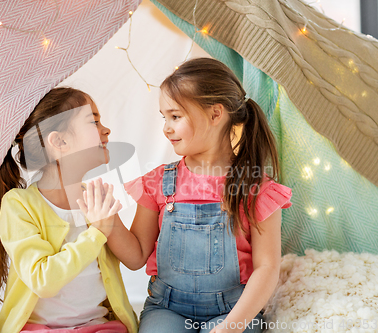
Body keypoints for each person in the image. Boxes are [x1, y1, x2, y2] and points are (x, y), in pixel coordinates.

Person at [100, 58, 292, 333]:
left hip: (233, 310)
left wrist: (232, 326)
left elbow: (267, 267)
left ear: (216, 114)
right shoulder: (158, 182)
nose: (166, 127)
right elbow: (136, 255)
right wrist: (108, 220)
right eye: (164, 117)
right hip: (168, 308)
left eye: (175, 116)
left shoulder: (257, 188)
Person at [0, 87, 138, 333]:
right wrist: (96, 233)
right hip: (38, 329)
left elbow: (135, 259)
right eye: (94, 122)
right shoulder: (19, 205)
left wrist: (109, 222)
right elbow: (43, 281)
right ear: (59, 142)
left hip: (97, 327)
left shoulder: (95, 197)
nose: (106, 130)